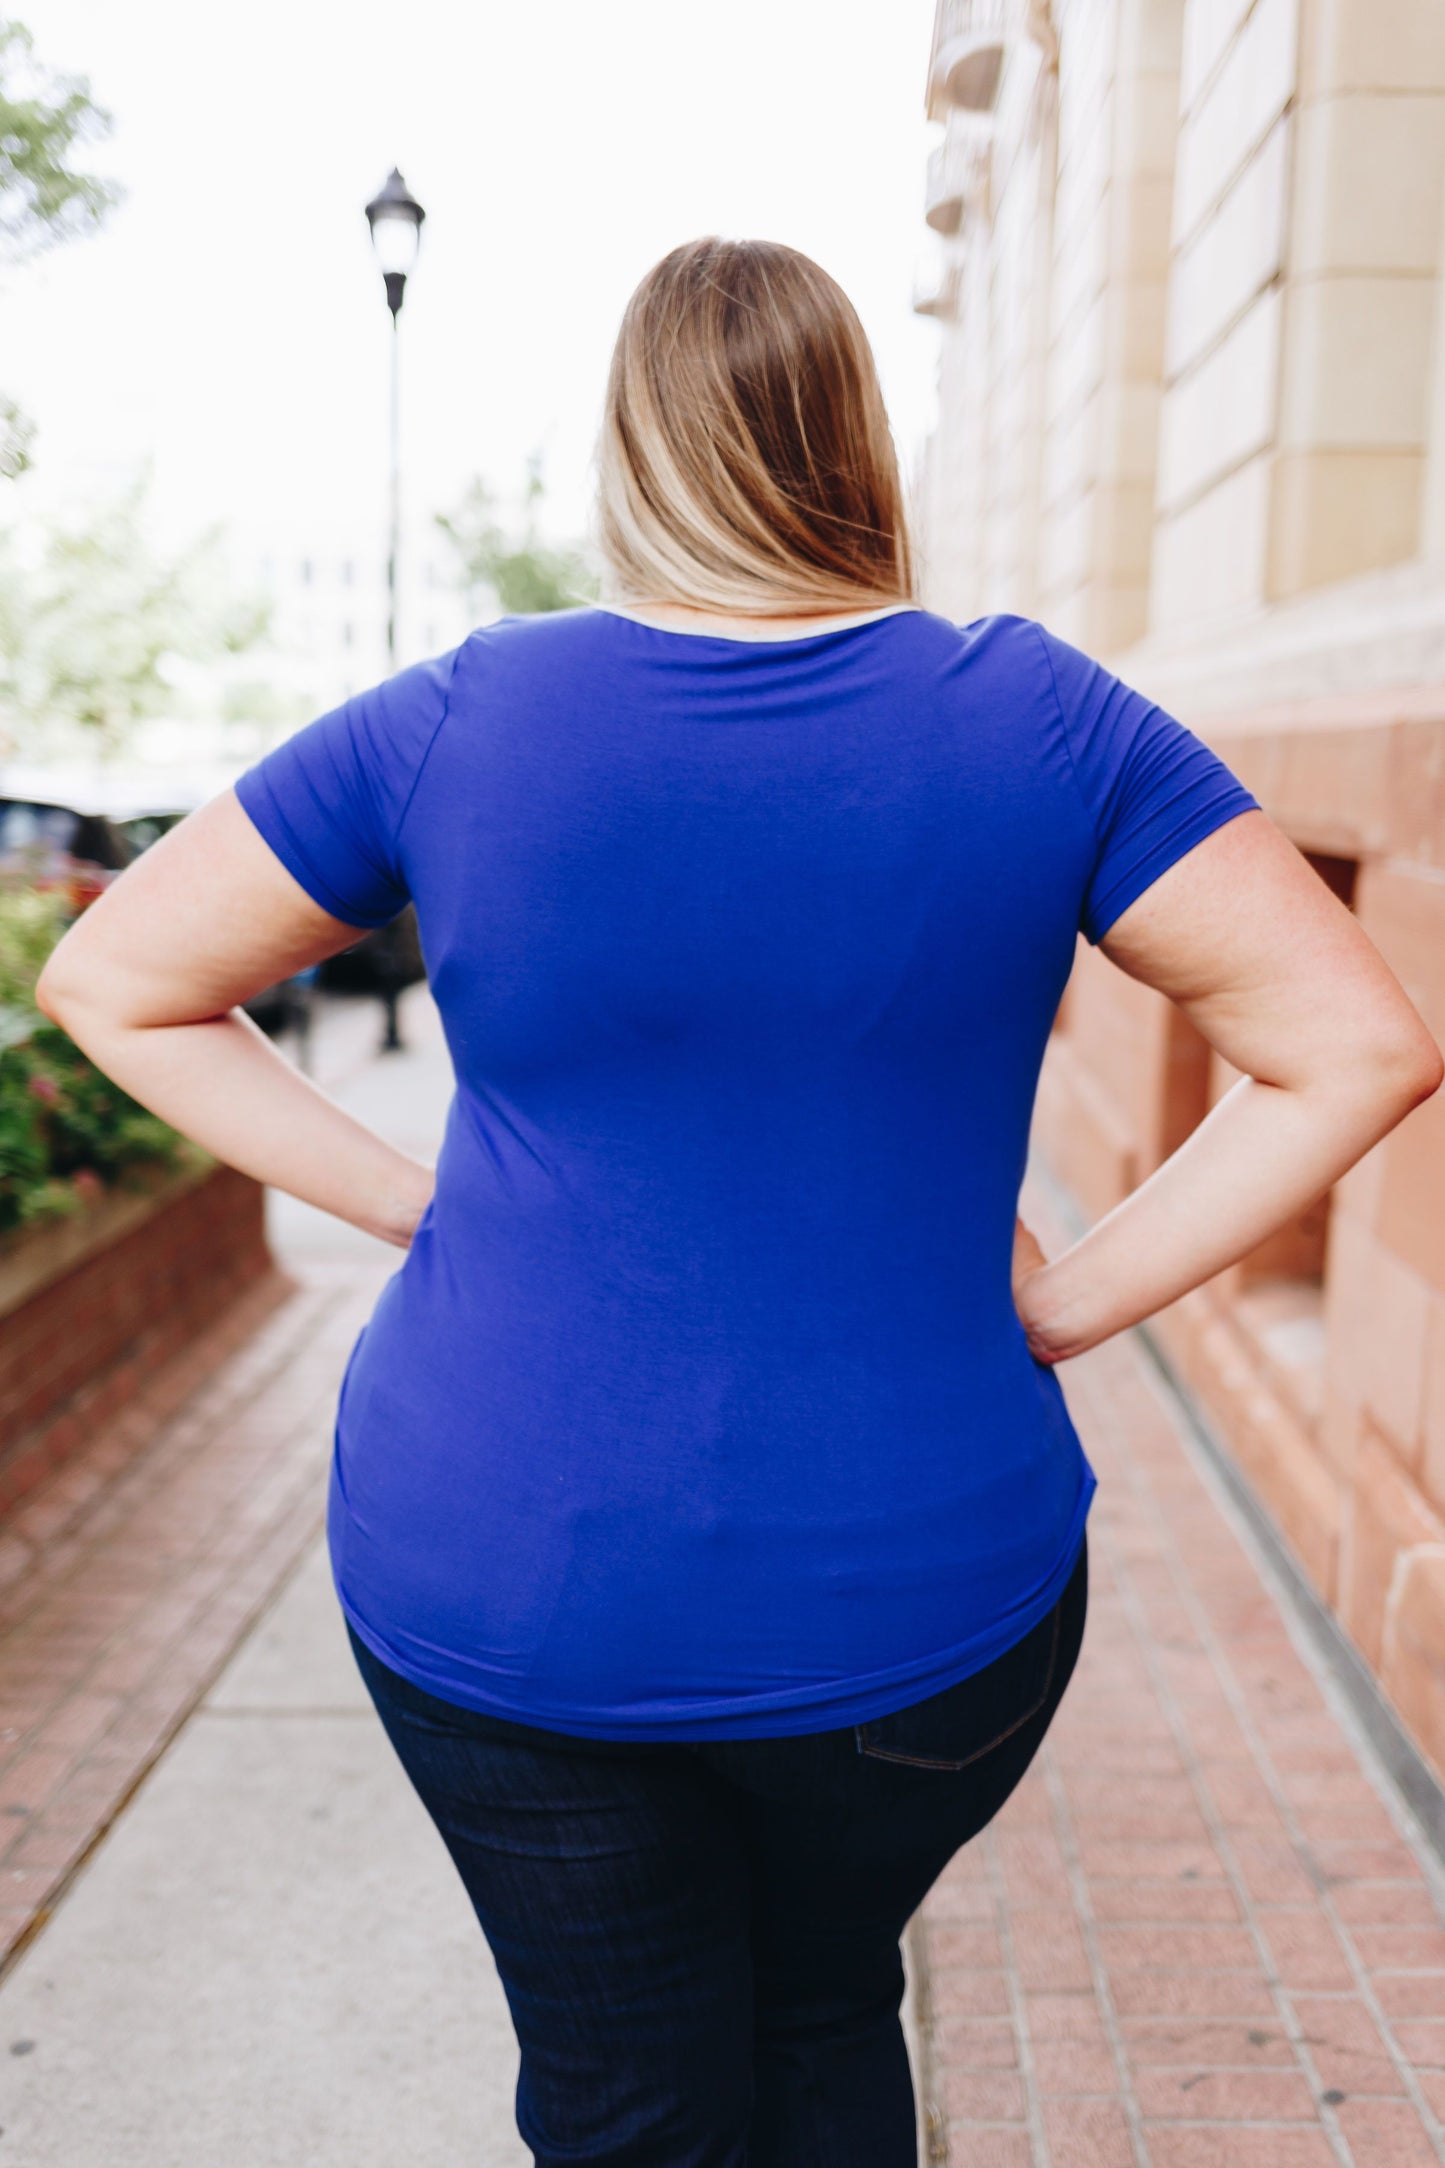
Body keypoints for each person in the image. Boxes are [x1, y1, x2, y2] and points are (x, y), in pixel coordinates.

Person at [37, 237, 1442, 2167]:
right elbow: (1357, 1042)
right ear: (860, 442)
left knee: (629, 2095)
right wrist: (1065, 1303)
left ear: (630, 452)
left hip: (504, 1577)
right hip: (926, 1595)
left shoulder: (462, 715)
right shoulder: (1039, 718)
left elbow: (113, 979)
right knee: (820, 2008)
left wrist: (417, 1201)